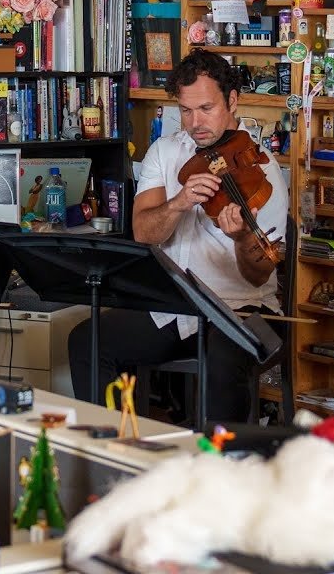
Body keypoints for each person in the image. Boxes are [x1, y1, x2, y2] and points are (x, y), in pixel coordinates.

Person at [67, 49, 289, 423]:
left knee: (221, 362)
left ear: (232, 100)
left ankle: (220, 467)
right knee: (87, 339)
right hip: (172, 306)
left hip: (238, 308)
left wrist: (239, 239)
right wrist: (179, 202)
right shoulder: (165, 151)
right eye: (186, 111)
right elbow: (143, 233)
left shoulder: (261, 172)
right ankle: (115, 451)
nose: (195, 122)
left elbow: (258, 275)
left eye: (205, 108)